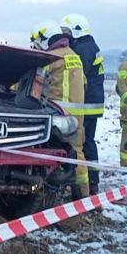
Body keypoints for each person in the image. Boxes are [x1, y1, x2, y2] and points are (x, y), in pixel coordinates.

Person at [30, 20, 89, 199]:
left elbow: (31, 82)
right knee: (77, 153)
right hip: (77, 115)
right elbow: (85, 82)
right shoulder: (74, 56)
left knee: (52, 153)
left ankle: (52, 192)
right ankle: (83, 196)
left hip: (57, 115)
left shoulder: (51, 59)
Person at [61, 14, 105, 194]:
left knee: (83, 144)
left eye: (67, 32)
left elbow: (79, 76)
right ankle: (91, 181)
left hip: (86, 105)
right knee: (88, 142)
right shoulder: (89, 46)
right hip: (91, 104)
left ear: (76, 31)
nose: (65, 36)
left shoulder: (84, 49)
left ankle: (87, 185)